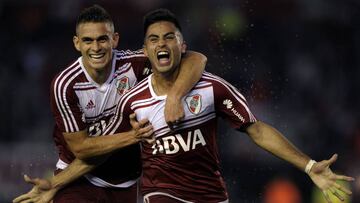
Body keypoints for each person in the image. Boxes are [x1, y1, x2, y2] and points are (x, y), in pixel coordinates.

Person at [15, 8, 354, 203]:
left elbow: (258, 129)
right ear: (144, 51)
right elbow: (95, 150)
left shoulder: (211, 88)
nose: (161, 44)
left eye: (169, 38)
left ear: (182, 45)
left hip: (210, 194)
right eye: (153, 39)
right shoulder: (132, 99)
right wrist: (57, 184)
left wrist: (309, 166)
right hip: (158, 193)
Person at [13, 5, 206, 203]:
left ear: (114, 40)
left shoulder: (133, 65)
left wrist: (175, 97)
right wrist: (134, 136)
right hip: (78, 179)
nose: (96, 48)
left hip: (125, 183)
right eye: (88, 40)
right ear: (77, 43)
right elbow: (83, 149)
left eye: (102, 39)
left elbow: (195, 58)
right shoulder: (65, 85)